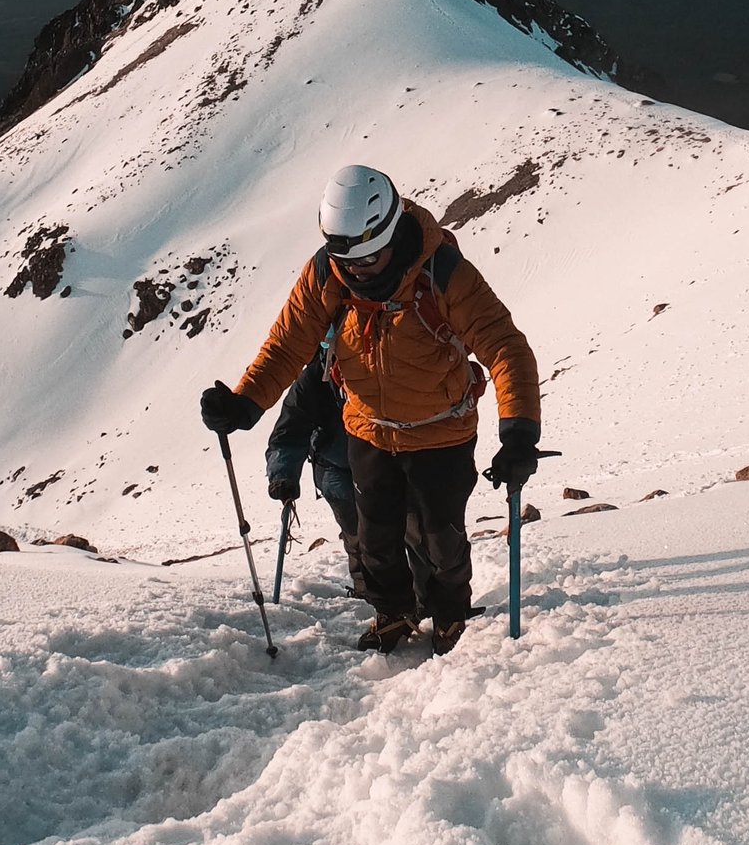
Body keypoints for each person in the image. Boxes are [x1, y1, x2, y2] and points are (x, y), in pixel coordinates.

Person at [201, 164, 541, 655]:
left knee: (440, 538)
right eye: (349, 261)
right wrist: (243, 403)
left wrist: (519, 432)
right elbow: (287, 345)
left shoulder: (443, 274)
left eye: (369, 259)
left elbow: (504, 347)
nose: (359, 272)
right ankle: (393, 613)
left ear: (391, 230)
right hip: (368, 430)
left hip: (441, 432)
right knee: (374, 535)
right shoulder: (327, 273)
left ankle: (448, 616)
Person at [263, 355, 432, 610]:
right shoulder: (314, 380)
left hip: (383, 463)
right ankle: (377, 600)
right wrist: (282, 474)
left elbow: (289, 430)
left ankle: (424, 600)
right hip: (341, 469)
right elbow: (290, 430)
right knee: (366, 535)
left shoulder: (382, 360)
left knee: (408, 530)